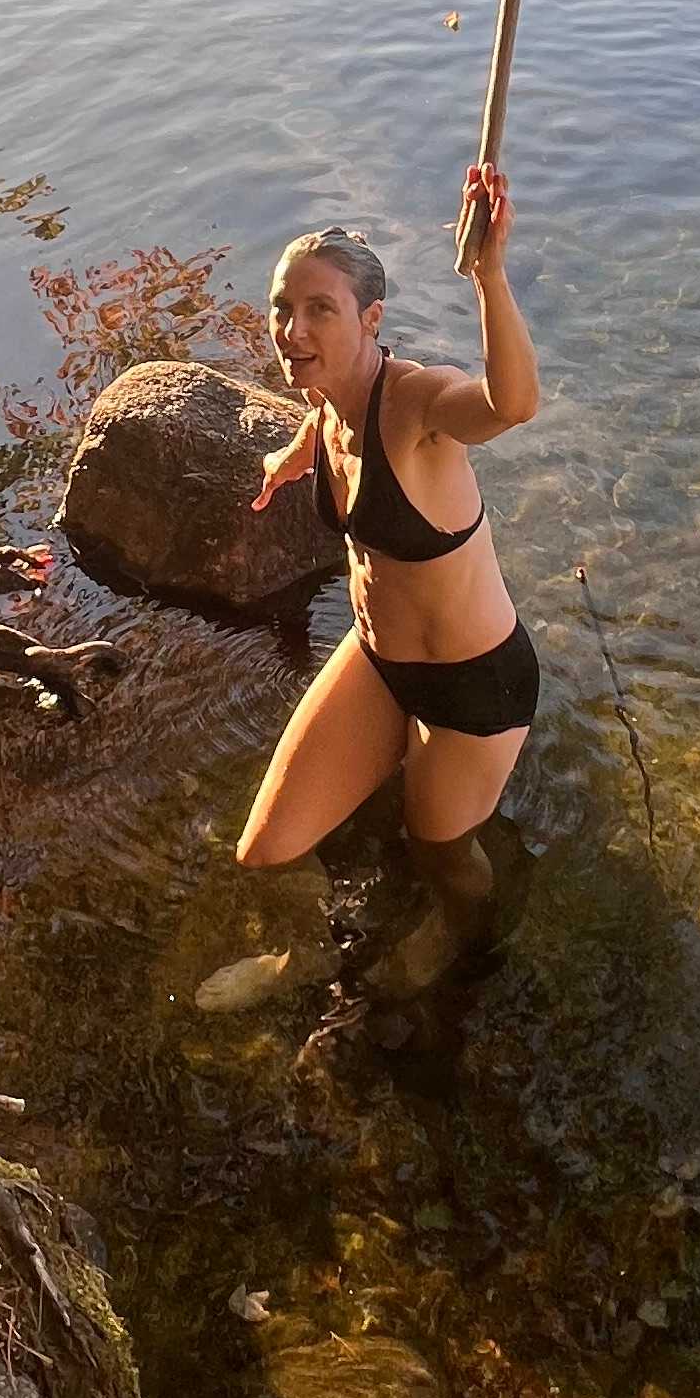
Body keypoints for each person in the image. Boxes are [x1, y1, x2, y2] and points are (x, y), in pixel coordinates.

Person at [235, 168, 540, 969]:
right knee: (264, 851)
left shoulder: (416, 405)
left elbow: (511, 406)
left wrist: (491, 276)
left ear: (371, 320)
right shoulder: (325, 399)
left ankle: (469, 950)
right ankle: (307, 953)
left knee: (439, 853)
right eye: (283, 308)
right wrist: (291, 454)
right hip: (380, 662)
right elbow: (326, 426)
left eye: (319, 310)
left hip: (474, 684)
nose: (292, 328)